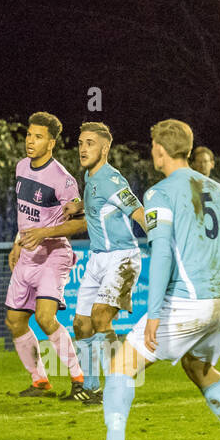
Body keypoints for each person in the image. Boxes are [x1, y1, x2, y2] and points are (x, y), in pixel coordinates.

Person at [81, 119, 220, 440]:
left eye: (152, 148)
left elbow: (160, 253)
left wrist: (155, 313)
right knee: (198, 366)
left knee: (121, 366)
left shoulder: (158, 193)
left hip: (191, 300)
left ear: (160, 151)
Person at [4, 112, 88, 398]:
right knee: (14, 320)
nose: (30, 141)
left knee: (44, 317)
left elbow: (81, 222)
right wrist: (18, 242)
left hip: (54, 254)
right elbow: (26, 214)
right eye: (29, 135)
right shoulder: (20, 167)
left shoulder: (63, 180)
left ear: (51, 142)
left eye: (38, 137)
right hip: (27, 254)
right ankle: (40, 381)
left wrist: (44, 233)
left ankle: (79, 379)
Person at [67, 122, 147, 403]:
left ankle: (117, 384)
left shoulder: (112, 180)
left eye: (90, 143)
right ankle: (91, 388)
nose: (83, 148)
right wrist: (79, 207)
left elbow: (137, 210)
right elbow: (98, 209)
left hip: (122, 258)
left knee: (101, 316)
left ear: (105, 148)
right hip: (97, 258)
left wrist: (159, 238)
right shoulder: (90, 178)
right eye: (80, 143)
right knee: (81, 324)